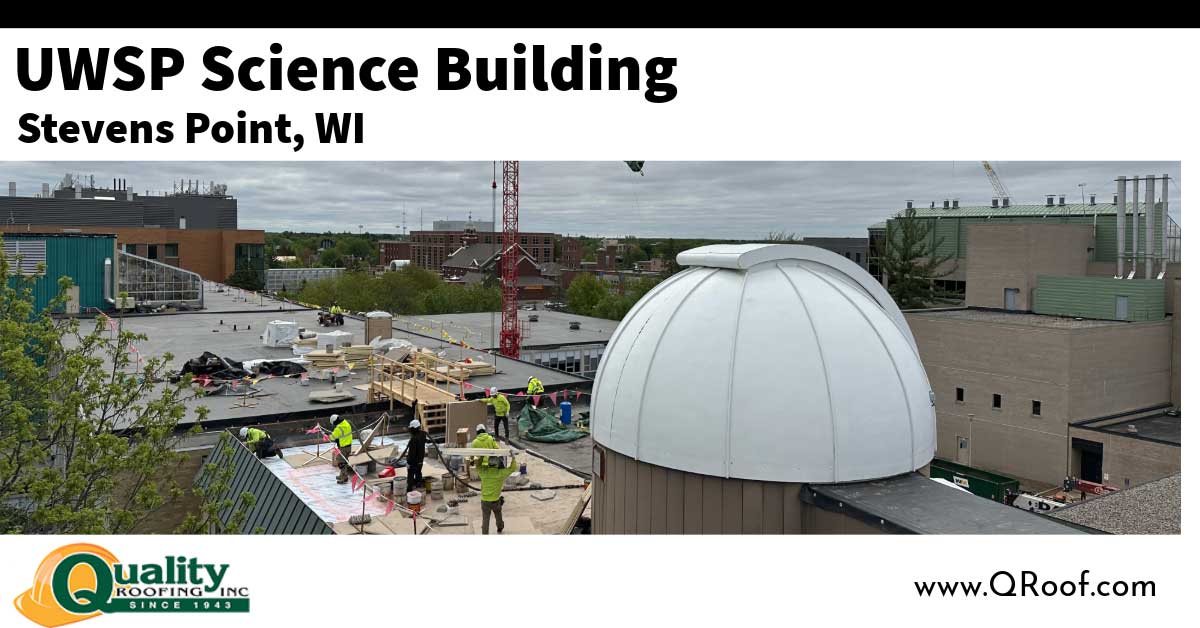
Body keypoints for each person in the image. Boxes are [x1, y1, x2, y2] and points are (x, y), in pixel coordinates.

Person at [477, 447, 518, 535]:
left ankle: (484, 534)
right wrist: (513, 458)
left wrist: (482, 455)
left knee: (485, 519)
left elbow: (478, 466)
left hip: (484, 501)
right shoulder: (500, 473)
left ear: (488, 463)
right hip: (495, 500)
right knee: (498, 514)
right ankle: (500, 528)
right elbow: (512, 468)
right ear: (497, 464)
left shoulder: (483, 472)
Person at [399, 419, 426, 492]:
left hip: (413, 462)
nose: (410, 430)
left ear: (414, 429)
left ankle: (409, 489)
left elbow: (412, 453)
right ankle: (419, 487)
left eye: (411, 429)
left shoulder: (413, 439)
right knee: (418, 473)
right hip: (420, 460)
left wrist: (408, 462)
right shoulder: (423, 434)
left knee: (410, 475)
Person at [328, 414, 354, 484]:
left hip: (343, 447)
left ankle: (344, 477)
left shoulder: (339, 428)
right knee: (344, 461)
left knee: (340, 462)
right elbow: (342, 435)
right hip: (349, 446)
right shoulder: (346, 423)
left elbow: (332, 437)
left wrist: (327, 435)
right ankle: (342, 475)